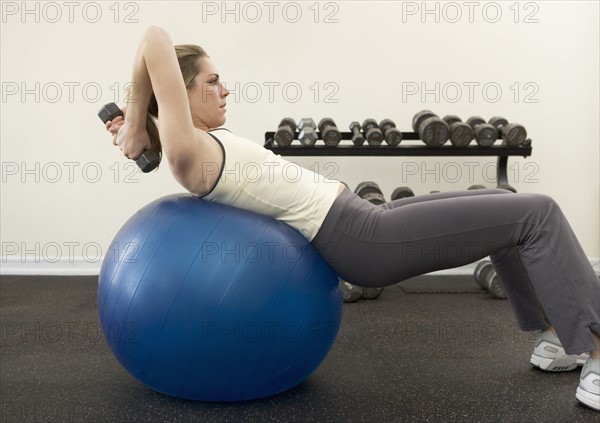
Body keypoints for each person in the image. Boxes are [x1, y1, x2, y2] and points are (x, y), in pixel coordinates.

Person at [105, 25, 600, 411]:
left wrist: (138, 126)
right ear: (180, 95)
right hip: (362, 238)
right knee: (540, 213)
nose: (225, 90)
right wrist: (136, 123)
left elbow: (157, 65)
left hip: (363, 216)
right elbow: (154, 38)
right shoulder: (187, 152)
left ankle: (557, 338)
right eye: (212, 82)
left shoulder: (197, 144)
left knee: (508, 207)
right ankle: (597, 355)